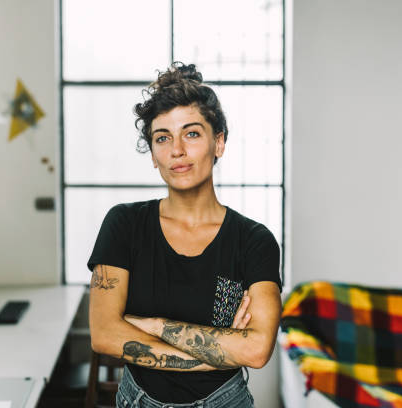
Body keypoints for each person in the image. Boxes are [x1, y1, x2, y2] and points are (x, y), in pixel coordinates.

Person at [88, 62, 282, 408]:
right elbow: (104, 335)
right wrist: (218, 352)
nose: (176, 150)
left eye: (191, 133)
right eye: (162, 138)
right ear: (153, 154)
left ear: (218, 142)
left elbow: (255, 349)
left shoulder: (254, 241)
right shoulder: (124, 224)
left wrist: (151, 324)